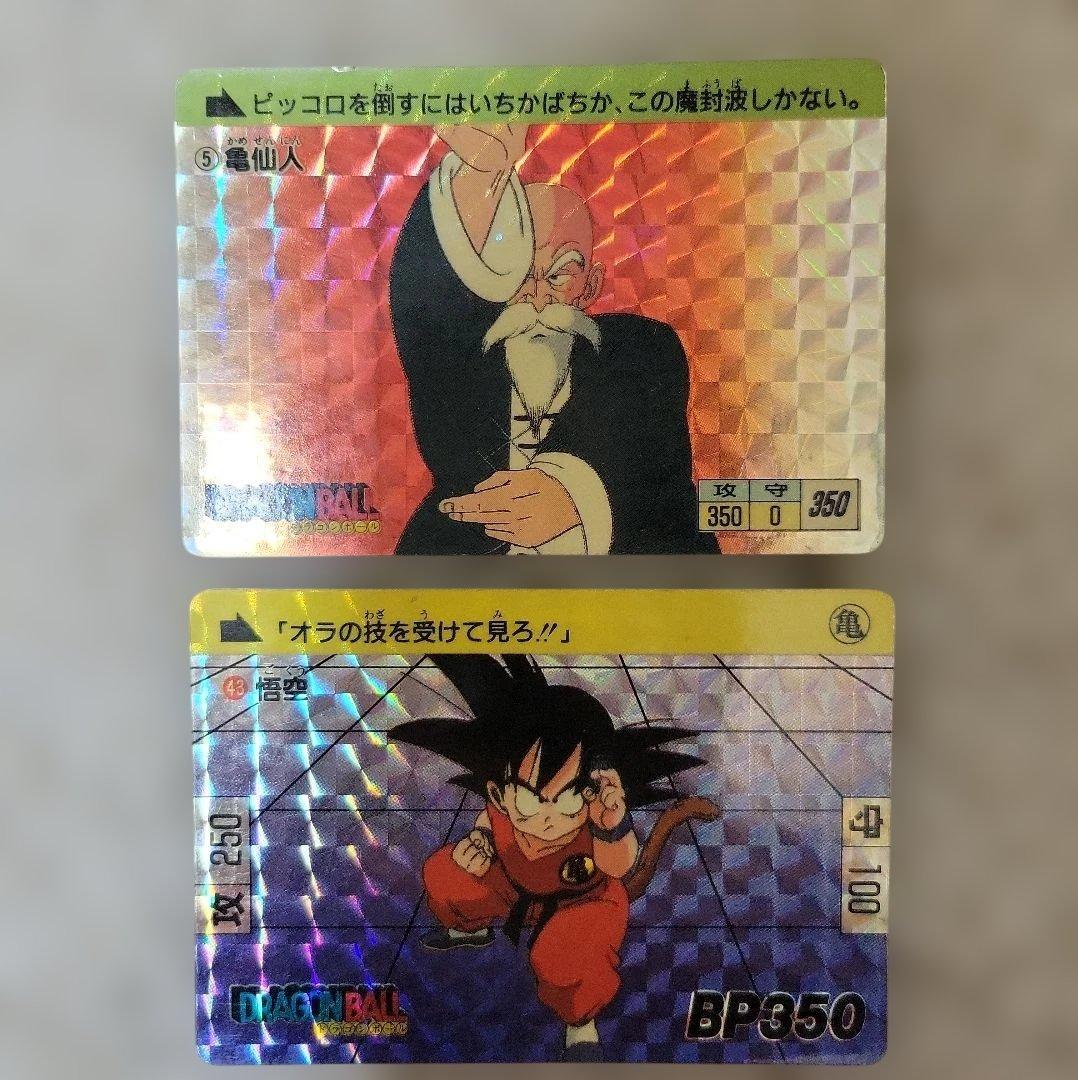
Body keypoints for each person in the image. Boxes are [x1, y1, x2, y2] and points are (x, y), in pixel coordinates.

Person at [389, 123, 715, 554]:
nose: (539, 297)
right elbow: (419, 298)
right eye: (520, 276)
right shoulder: (462, 360)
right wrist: (478, 176)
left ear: (590, 285)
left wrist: (572, 495)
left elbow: (650, 459)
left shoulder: (637, 350)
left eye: (561, 273)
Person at [390, 655, 718, 1060]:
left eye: (567, 798)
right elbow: (487, 825)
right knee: (447, 873)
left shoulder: (599, 817)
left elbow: (618, 866)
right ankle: (470, 929)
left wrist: (612, 825)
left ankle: (582, 1027)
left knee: (565, 957)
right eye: (532, 798)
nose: (548, 816)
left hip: (584, 902)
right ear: (499, 794)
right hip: (516, 888)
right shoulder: (500, 808)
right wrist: (479, 843)